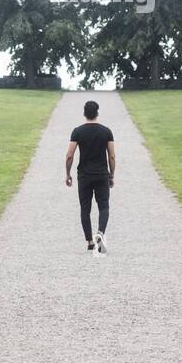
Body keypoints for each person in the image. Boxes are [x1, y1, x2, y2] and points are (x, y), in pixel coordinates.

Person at [65, 99, 116, 254]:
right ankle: (100, 233)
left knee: (85, 208)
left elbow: (69, 155)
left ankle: (89, 241)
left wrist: (68, 174)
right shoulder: (106, 131)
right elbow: (112, 156)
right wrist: (111, 175)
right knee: (104, 206)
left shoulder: (77, 131)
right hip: (101, 174)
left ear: (84, 113)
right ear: (97, 113)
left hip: (84, 175)